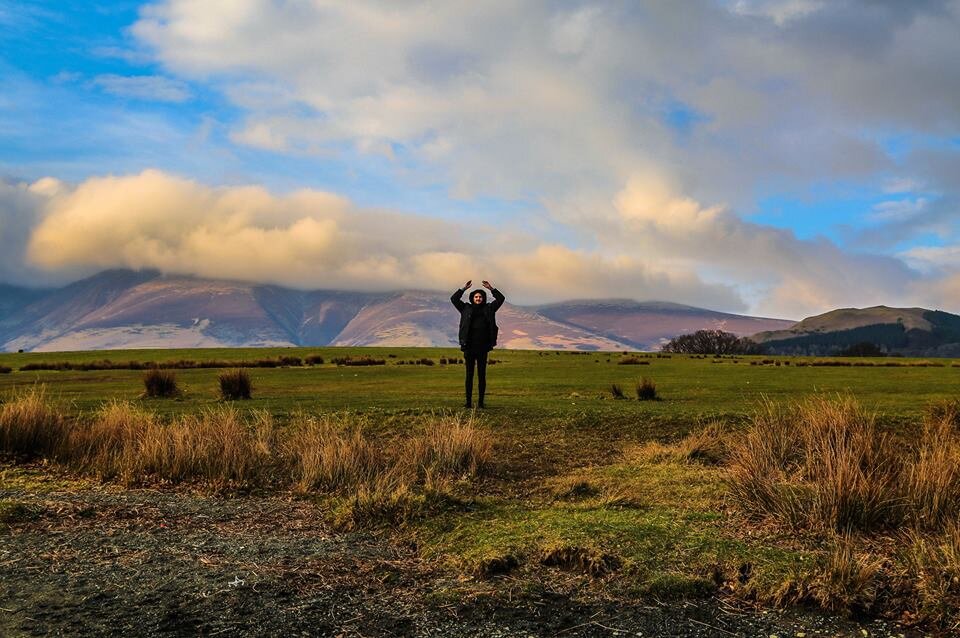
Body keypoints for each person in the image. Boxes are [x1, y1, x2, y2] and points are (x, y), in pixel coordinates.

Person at [450, 279, 505, 408]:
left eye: (480, 297)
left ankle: (481, 403)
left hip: (483, 347)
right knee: (469, 375)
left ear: (483, 298)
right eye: (476, 297)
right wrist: (463, 289)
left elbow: (501, 299)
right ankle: (468, 403)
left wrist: (491, 289)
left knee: (482, 375)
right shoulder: (465, 308)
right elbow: (453, 299)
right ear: (472, 298)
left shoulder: (489, 308)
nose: (478, 298)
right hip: (468, 347)